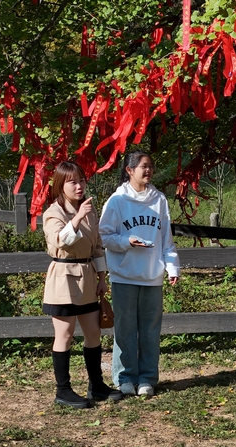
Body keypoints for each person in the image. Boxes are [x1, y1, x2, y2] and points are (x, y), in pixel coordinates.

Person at [99, 150, 180, 397]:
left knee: (150, 330)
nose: (148, 171)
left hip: (152, 276)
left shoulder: (160, 201)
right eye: (143, 166)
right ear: (129, 170)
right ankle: (124, 377)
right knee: (124, 329)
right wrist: (127, 241)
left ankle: (147, 378)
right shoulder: (117, 201)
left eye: (151, 166)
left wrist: (172, 266)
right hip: (124, 275)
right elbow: (104, 236)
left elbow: (167, 238)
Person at [42, 161, 122, 409]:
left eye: (82, 180)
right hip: (63, 277)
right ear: (60, 185)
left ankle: (96, 385)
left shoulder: (89, 211)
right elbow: (61, 242)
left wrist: (101, 278)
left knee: (93, 333)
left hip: (87, 276)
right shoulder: (53, 213)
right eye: (72, 182)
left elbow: (97, 246)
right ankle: (63, 390)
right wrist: (77, 217)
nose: (79, 186)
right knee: (64, 335)